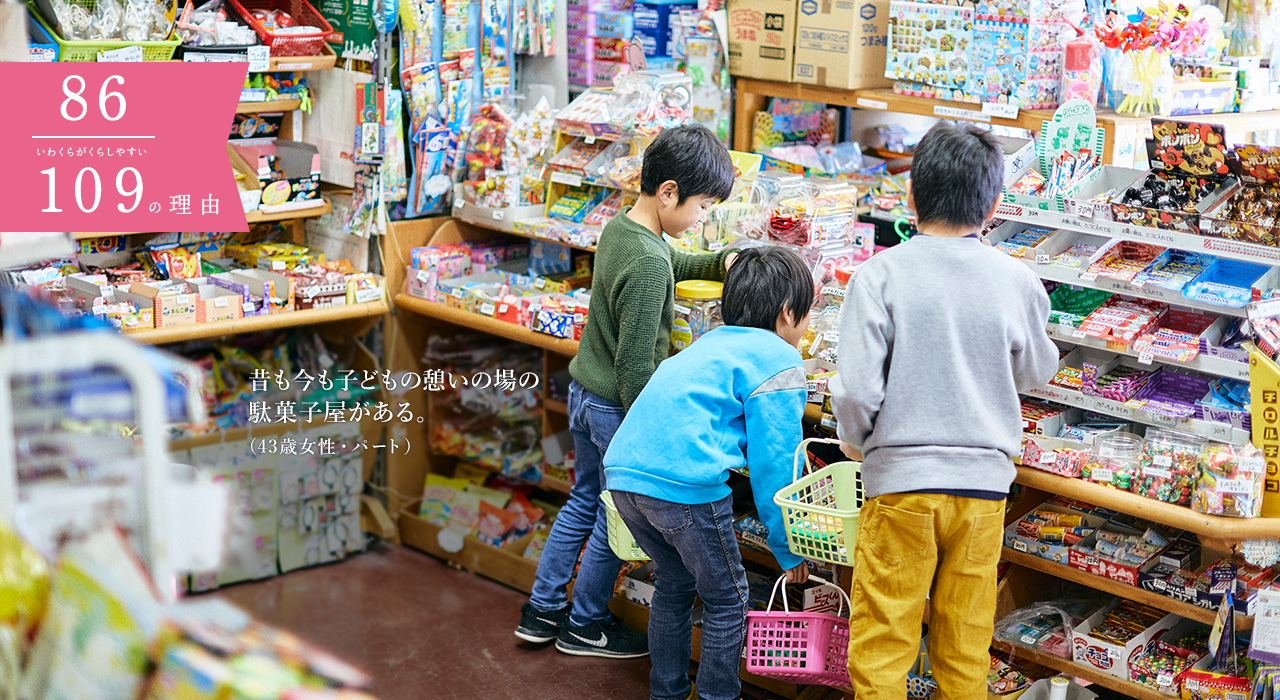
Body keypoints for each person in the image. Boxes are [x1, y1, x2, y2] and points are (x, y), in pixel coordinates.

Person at [828, 122, 1059, 700]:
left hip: (901, 485)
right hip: (982, 490)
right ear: (995, 205)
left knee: (884, 641)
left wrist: (857, 440)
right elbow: (1037, 371)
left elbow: (856, 389)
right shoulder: (1018, 280)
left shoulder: (878, 276)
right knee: (964, 643)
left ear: (911, 196)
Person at [515, 124, 739, 659]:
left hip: (584, 393)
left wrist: (720, 263)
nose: (704, 218)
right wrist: (651, 426)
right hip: (617, 406)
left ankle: (542, 610)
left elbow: (670, 263)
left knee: (582, 502)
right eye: (704, 206)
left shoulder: (626, 230)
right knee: (616, 519)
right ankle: (586, 624)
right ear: (668, 193)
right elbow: (637, 365)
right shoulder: (645, 262)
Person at [604, 246, 814, 700]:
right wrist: (789, 548)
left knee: (675, 583)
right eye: (806, 317)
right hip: (685, 488)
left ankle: (669, 692)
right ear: (787, 314)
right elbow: (775, 469)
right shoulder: (779, 360)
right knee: (728, 601)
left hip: (624, 477)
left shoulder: (707, 343)